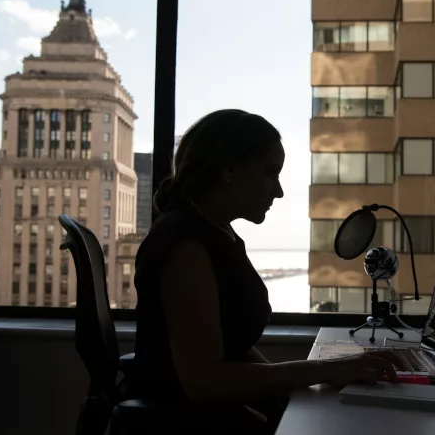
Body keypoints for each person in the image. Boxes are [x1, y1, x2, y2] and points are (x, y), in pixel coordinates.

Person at [132, 109, 400, 434]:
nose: (279, 190)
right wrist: (324, 371)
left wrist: (289, 398)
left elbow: (233, 346)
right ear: (228, 168)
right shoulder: (185, 245)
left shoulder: (217, 234)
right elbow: (205, 382)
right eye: (270, 172)